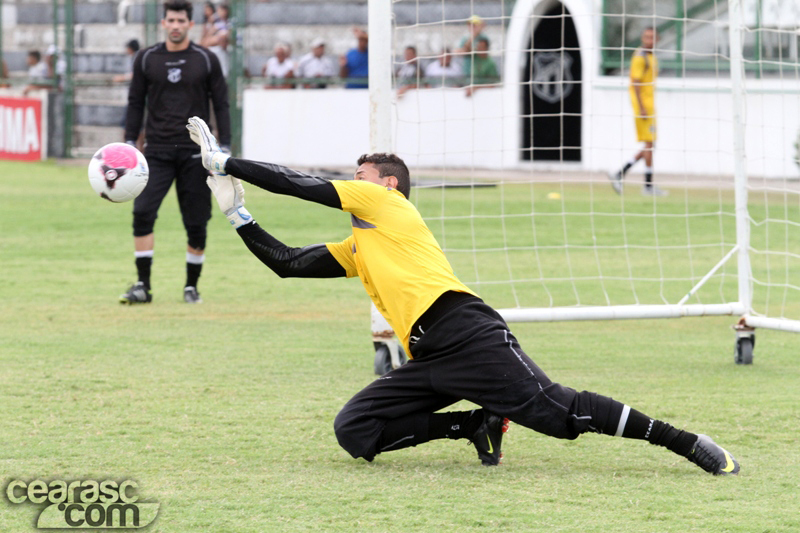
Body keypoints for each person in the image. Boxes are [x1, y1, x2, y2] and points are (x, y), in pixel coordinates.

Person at [185, 115, 741, 476]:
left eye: (361, 175)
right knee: (354, 430)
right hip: (429, 356)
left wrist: (225, 161)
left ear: (387, 184)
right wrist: (237, 213)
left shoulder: (388, 204)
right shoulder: (360, 245)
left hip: (467, 332)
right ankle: (472, 424)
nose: (352, 182)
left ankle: (684, 441)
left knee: (561, 415)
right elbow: (287, 264)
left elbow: (299, 183)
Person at [120, 0, 230, 305]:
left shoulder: (206, 59)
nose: (176, 26)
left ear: (190, 24)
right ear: (164, 23)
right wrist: (129, 142)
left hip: (196, 154)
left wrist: (225, 146)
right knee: (142, 212)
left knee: (196, 222)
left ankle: (191, 287)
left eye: (181, 21)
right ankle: (142, 285)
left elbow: (221, 103)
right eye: (171, 20)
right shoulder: (146, 59)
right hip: (156, 151)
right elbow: (135, 102)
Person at [609, 27, 666, 197]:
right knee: (649, 145)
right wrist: (641, 107)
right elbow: (635, 82)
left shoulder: (651, 57)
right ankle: (647, 186)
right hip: (643, 108)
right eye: (646, 36)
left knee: (650, 145)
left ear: (657, 39)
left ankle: (620, 173)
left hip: (650, 106)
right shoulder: (640, 57)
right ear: (642, 38)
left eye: (652, 37)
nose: (649, 40)